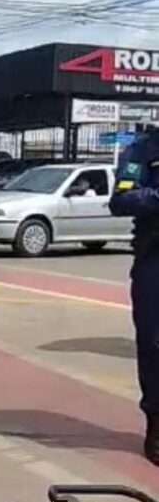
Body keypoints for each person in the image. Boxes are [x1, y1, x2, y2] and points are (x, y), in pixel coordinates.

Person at [110, 126, 159, 464]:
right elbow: (121, 199)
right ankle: (156, 422)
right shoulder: (141, 153)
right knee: (153, 344)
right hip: (154, 259)